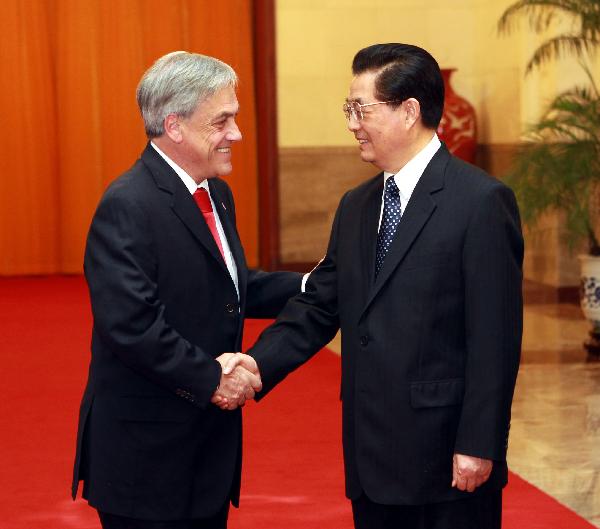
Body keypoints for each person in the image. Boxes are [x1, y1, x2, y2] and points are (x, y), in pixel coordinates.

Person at [224, 43, 523, 529]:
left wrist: (479, 443)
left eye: (361, 109)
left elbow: (496, 339)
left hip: (447, 458)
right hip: (371, 456)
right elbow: (319, 305)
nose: (351, 123)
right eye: (349, 108)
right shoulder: (357, 206)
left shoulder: (480, 202)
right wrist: (256, 365)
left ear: (409, 112)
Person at [71, 51, 302, 529]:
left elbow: (231, 287)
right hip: (146, 457)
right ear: (174, 126)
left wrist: (310, 285)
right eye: (222, 121)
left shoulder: (215, 192)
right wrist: (213, 378)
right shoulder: (127, 205)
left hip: (205, 450)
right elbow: (132, 327)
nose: (236, 134)